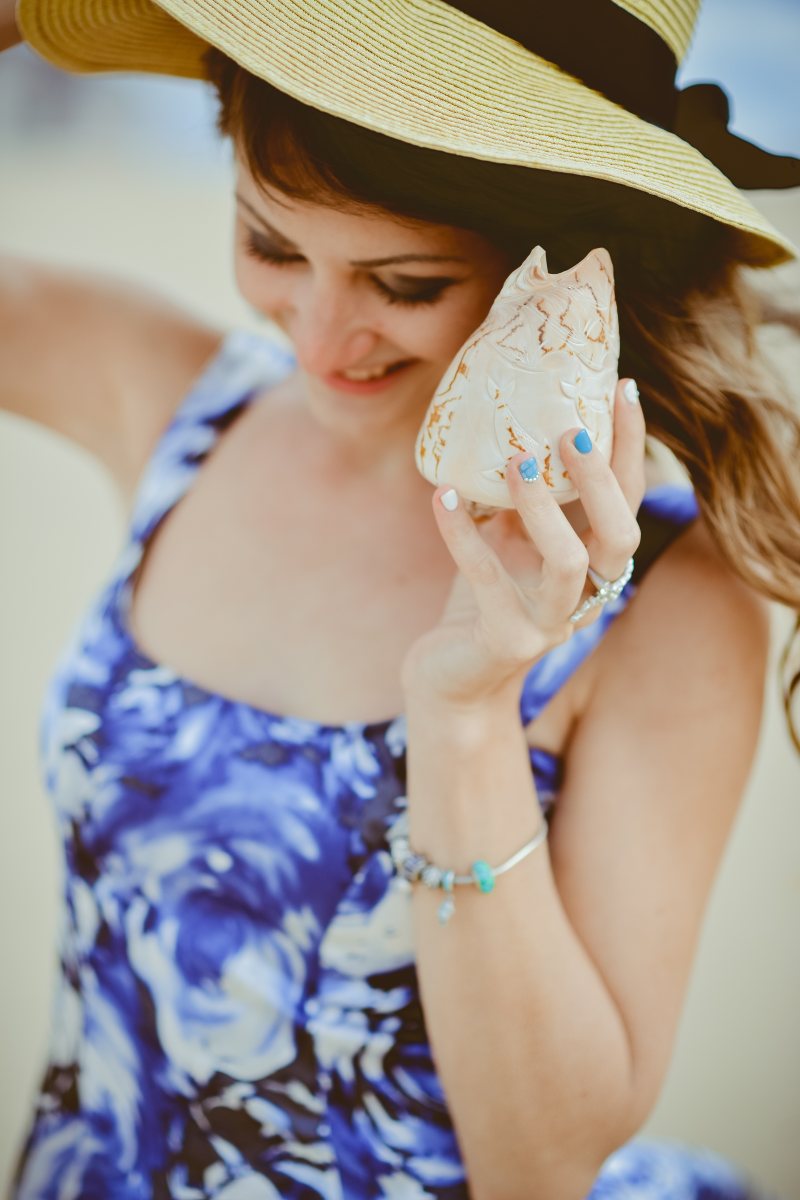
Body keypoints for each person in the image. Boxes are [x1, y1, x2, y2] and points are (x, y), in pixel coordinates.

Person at [3, 1, 800, 1197]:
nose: (320, 337)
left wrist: (468, 714)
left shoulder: (668, 604)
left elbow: (537, 1163)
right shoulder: (184, 407)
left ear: (560, 271)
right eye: (271, 247)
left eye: (404, 281)